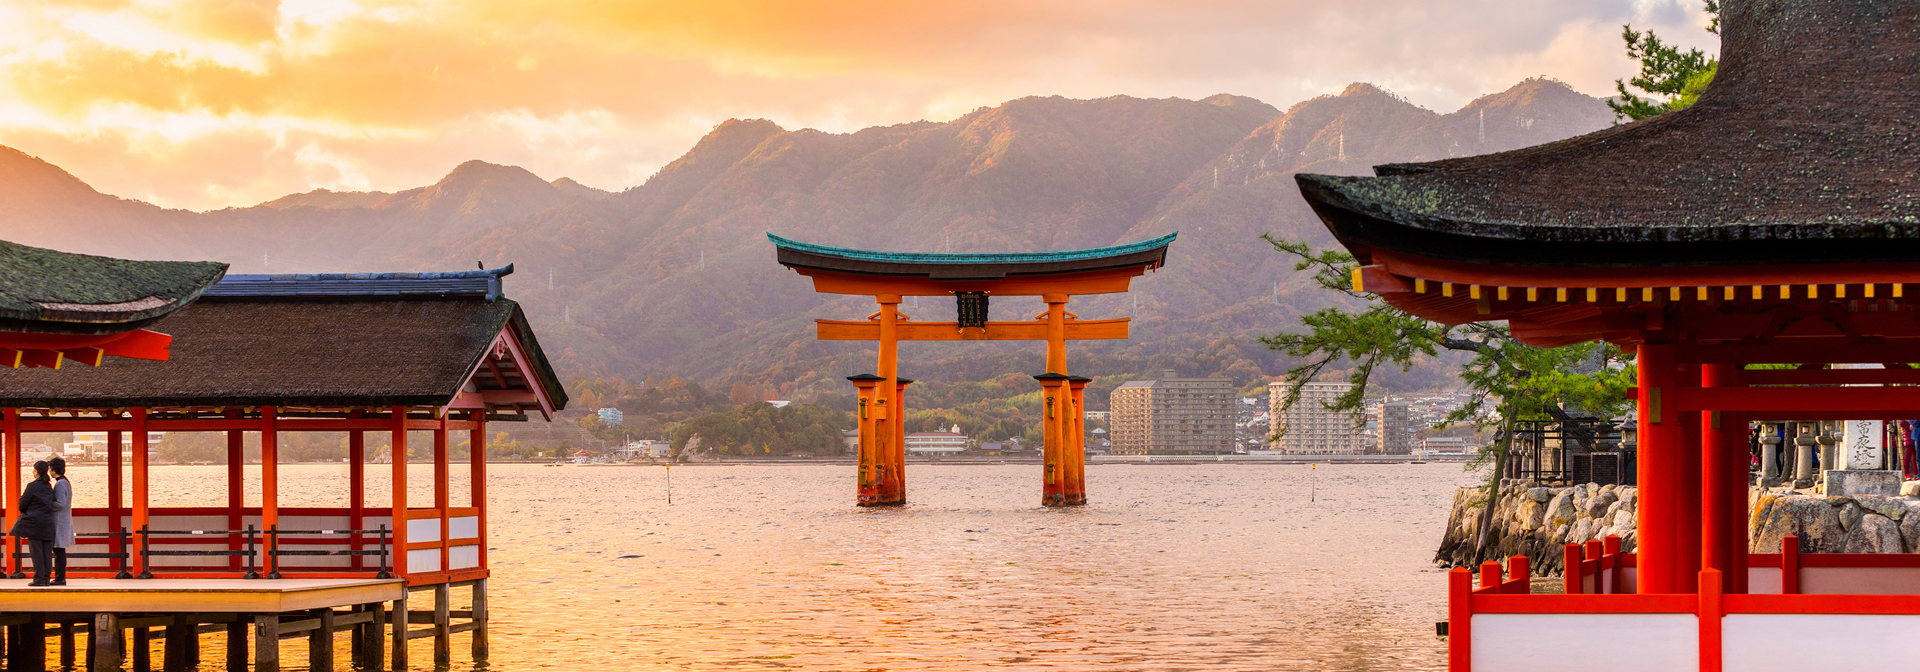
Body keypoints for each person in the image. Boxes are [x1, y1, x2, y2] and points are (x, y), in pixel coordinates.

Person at [10, 461, 58, 587]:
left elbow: (22, 503)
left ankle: (39, 579)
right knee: (47, 553)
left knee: (36, 552)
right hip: (48, 523)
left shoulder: (32, 486)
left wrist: (27, 512)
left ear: (36, 471)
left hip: (34, 524)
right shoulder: (48, 486)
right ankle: (46, 578)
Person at [50, 457, 72, 586]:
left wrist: (47, 504)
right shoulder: (65, 482)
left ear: (53, 470)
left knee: (58, 551)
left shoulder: (60, 484)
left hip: (59, 521)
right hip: (63, 520)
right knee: (59, 551)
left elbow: (60, 503)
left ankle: (60, 577)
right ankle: (60, 576)